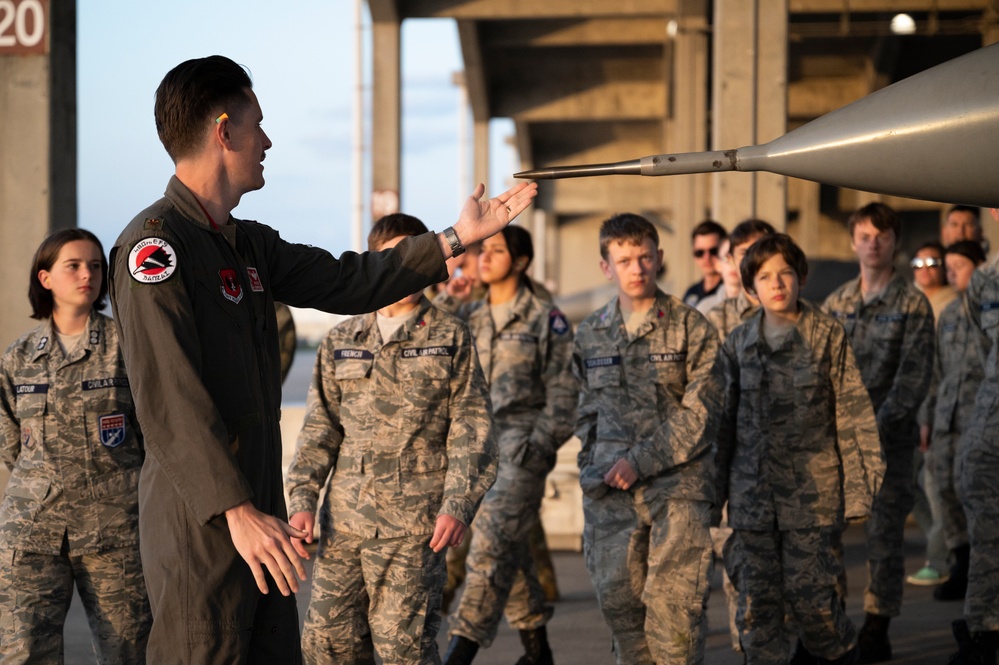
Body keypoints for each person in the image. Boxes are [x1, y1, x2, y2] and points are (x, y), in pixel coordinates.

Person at [107, 55, 537, 664]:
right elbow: (169, 400)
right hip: (201, 521)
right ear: (224, 131)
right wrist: (235, 511)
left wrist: (455, 239)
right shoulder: (157, 248)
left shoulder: (248, 244)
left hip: (259, 515)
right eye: (259, 125)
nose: (268, 141)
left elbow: (351, 280)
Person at [284, 213, 495, 665]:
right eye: (398, 258)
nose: (409, 268)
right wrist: (302, 499)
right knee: (326, 646)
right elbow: (320, 429)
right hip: (344, 526)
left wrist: (457, 506)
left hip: (414, 528)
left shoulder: (450, 336)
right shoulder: (342, 338)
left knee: (405, 651)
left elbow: (471, 428)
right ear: (376, 262)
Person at [711, 233, 884, 665]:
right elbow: (721, 426)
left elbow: (853, 415)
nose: (777, 284)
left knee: (815, 609)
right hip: (751, 503)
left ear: (801, 277)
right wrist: (712, 500)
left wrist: (861, 492)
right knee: (758, 611)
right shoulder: (737, 343)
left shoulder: (827, 335)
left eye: (785, 272)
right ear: (750, 288)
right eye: (765, 277)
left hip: (812, 502)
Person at [0, 229, 151, 663]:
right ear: (45, 278)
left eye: (96, 266)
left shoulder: (128, 346)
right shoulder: (19, 356)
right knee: (24, 652)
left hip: (115, 531)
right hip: (32, 531)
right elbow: (12, 443)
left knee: (128, 651)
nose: (88, 274)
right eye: (74, 265)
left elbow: (152, 434)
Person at [573, 213, 717, 664]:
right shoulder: (590, 333)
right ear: (606, 267)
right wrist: (589, 468)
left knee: (674, 618)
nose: (636, 268)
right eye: (624, 260)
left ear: (658, 259)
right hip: (610, 493)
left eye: (644, 257)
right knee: (621, 611)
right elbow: (584, 412)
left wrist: (642, 459)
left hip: (677, 487)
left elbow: (703, 413)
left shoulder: (692, 327)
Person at [439, 226, 577, 665]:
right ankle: (538, 652)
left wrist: (539, 448)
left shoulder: (544, 318)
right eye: (483, 250)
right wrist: (451, 300)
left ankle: (460, 652)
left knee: (490, 547)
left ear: (519, 262)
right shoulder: (471, 315)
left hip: (520, 451)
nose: (484, 257)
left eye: (496, 250)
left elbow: (565, 392)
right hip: (473, 451)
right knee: (508, 547)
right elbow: (427, 339)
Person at [823, 202, 935, 664]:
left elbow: (913, 379)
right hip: (837, 445)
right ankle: (829, 623)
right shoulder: (838, 303)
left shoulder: (913, 304)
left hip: (890, 442)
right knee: (827, 536)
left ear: (895, 243)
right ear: (853, 241)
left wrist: (869, 432)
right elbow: (822, 373)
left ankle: (877, 622)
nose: (873, 244)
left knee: (884, 539)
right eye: (865, 235)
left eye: (882, 236)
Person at [704, 218, 776, 654]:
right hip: (735, 466)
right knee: (742, 574)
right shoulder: (712, 320)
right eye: (742, 253)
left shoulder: (798, 318)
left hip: (792, 467)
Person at [919, 241, 987, 606]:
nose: (952, 271)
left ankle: (979, 568)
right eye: (950, 265)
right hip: (946, 420)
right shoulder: (947, 315)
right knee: (943, 490)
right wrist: (926, 419)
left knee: (975, 493)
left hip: (981, 419)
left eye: (961, 264)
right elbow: (935, 372)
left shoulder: (989, 309)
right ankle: (960, 560)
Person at [949, 208, 999, 664]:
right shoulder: (985, 281)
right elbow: (988, 351)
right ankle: (986, 628)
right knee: (985, 529)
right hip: (992, 418)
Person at [908, 241, 957, 587]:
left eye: (933, 262)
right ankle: (944, 547)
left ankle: (940, 557)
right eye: (918, 261)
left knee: (934, 483)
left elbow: (940, 367)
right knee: (908, 482)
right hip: (908, 403)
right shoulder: (910, 301)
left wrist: (930, 415)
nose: (925, 268)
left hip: (938, 405)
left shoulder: (951, 304)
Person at [682, 220, 728, 314]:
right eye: (700, 253)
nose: (707, 258)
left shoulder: (731, 290)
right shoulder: (691, 293)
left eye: (713, 251)